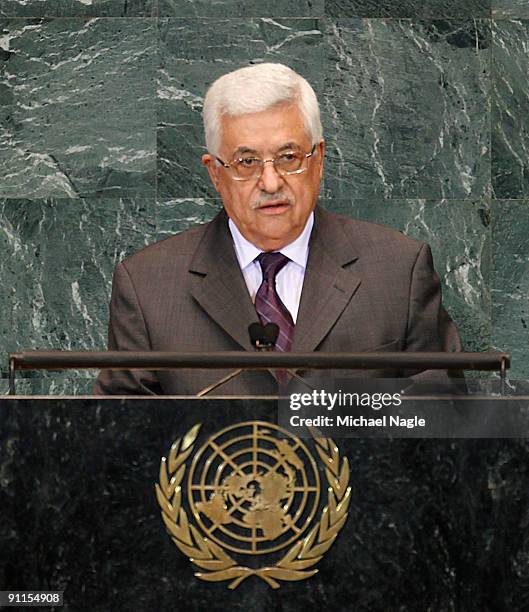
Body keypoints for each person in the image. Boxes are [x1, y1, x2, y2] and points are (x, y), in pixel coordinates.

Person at [94, 63, 460, 396]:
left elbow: (447, 418)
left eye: (288, 158)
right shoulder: (147, 287)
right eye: (246, 162)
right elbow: (122, 441)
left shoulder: (398, 270)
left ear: (319, 161)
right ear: (215, 173)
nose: (270, 182)